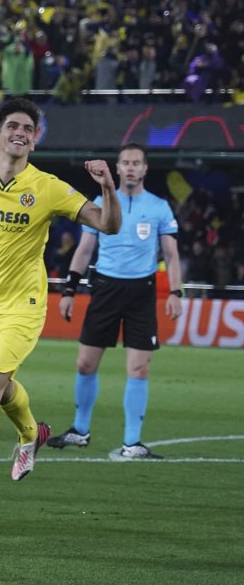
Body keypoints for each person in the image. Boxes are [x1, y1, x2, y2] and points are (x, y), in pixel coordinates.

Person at [0, 98, 121, 519]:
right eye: (13, 126)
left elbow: (108, 224)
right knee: (0, 390)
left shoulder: (48, 187)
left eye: (28, 129)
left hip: (24, 305)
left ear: (34, 142)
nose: (20, 132)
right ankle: (32, 434)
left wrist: (108, 187)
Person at [48, 143, 182, 459]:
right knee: (85, 363)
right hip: (105, 289)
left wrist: (176, 293)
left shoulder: (159, 207)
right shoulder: (101, 202)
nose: (131, 167)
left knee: (139, 368)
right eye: (126, 163)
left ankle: (132, 443)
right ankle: (80, 431)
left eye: (136, 163)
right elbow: (84, 250)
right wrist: (69, 291)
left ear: (145, 169)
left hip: (142, 292)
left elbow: (172, 255)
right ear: (118, 168)